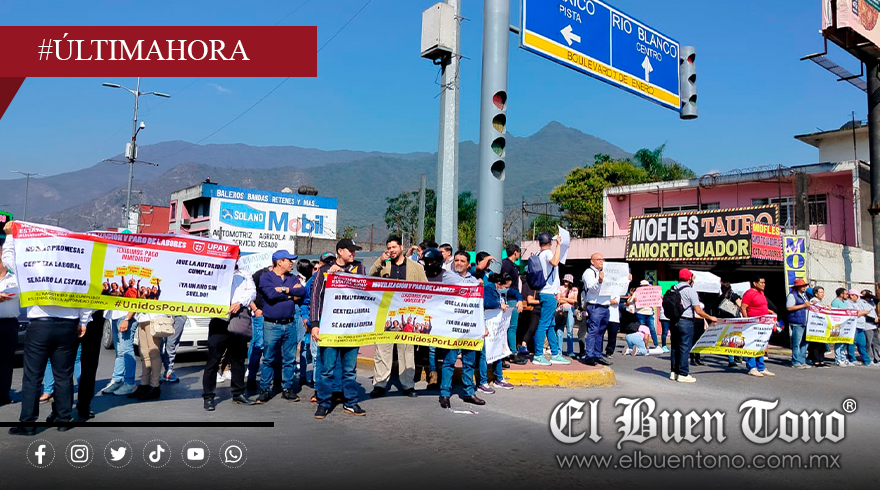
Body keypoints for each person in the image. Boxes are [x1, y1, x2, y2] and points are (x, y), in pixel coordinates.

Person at [4, 220, 93, 435]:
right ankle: (63, 419)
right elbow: (89, 293)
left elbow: (10, 262)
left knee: (33, 377)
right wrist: (83, 321)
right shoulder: (76, 265)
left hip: (40, 325)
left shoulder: (35, 264)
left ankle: (28, 423)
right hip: (68, 325)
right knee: (63, 375)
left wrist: (9, 237)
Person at [310, 239, 368, 419]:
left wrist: (342, 274)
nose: (353, 253)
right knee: (327, 369)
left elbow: (363, 289)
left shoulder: (359, 268)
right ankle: (324, 403)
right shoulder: (324, 271)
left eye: (355, 250)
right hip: (330, 327)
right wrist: (314, 324)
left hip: (352, 327)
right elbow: (315, 297)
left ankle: (350, 402)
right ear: (340, 251)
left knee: (349, 370)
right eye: (350, 250)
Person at [369, 236, 426, 398]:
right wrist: (380, 261)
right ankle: (380, 384)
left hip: (407, 314)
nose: (391, 250)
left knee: (407, 351)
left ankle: (408, 385)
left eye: (394, 247)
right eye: (389, 248)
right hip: (385, 313)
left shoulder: (416, 267)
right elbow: (371, 276)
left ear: (401, 247)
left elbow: (426, 288)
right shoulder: (384, 265)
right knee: (382, 351)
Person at [202, 260, 258, 410]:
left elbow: (252, 292)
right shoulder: (214, 273)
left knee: (238, 359)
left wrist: (239, 303)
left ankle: (238, 393)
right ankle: (208, 396)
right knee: (213, 359)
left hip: (238, 319)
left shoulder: (244, 274)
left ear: (238, 257)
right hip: (219, 320)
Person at [438, 251, 485, 409]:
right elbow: (459, 286)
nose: (458, 263)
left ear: (468, 264)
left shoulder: (474, 280)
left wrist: (483, 326)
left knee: (469, 362)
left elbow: (478, 306)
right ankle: (445, 394)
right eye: (456, 260)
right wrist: (476, 285)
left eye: (462, 261)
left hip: (469, 327)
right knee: (449, 361)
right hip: (452, 327)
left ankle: (469, 393)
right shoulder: (448, 276)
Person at [257, 250, 306, 403]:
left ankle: (288, 388)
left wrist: (285, 290)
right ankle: (265, 389)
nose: (292, 263)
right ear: (279, 262)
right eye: (288, 260)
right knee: (268, 359)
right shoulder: (266, 277)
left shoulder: (292, 277)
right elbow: (271, 295)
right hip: (272, 325)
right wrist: (291, 295)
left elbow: (302, 292)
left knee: (290, 359)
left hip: (290, 324)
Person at [669, 269, 716, 383]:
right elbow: (698, 310)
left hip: (674, 321)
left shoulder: (673, 288)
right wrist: (710, 317)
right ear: (689, 278)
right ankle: (683, 373)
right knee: (685, 347)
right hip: (686, 321)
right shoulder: (690, 291)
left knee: (675, 347)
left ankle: (674, 372)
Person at [530, 233, 569, 366]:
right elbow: (555, 262)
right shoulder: (547, 253)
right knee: (544, 324)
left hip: (544, 292)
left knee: (551, 324)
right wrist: (558, 245)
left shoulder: (538, 254)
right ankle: (538, 354)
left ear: (539, 243)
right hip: (549, 293)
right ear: (550, 243)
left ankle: (555, 353)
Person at [477, 272, 515, 394]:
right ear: (499, 283)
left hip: (496, 328)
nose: (506, 289)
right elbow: (486, 303)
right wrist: (499, 305)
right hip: (486, 325)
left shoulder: (498, 291)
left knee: (498, 352)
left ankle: (499, 378)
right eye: (505, 286)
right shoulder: (488, 289)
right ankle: (482, 382)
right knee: (484, 354)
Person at [740, 274, 775, 377]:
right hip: (753, 324)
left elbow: (761, 306)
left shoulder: (761, 293)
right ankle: (752, 367)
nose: (764, 284)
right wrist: (747, 320)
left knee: (761, 345)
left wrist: (769, 311)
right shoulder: (749, 293)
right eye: (761, 282)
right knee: (752, 345)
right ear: (755, 283)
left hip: (763, 324)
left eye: (764, 282)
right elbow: (743, 308)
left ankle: (761, 367)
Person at [581, 252, 612, 367]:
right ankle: (589, 355)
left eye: (603, 259)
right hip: (595, 305)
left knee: (601, 332)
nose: (601, 261)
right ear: (592, 261)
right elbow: (591, 288)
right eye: (599, 259)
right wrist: (599, 281)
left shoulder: (605, 272)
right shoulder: (589, 272)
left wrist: (626, 281)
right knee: (593, 331)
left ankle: (597, 355)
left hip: (605, 305)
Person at [128, 313, 166, 401]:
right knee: (144, 353)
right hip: (142, 318)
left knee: (154, 352)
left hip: (154, 318)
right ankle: (144, 384)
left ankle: (155, 386)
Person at [100, 310, 138, 395]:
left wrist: (127, 318)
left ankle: (130, 383)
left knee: (127, 350)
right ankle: (116, 380)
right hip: (115, 316)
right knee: (120, 352)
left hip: (126, 316)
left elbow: (136, 302)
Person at [0, 255, 19, 406]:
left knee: (6, 361)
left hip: (8, 324)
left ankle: (3, 394)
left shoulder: (15, 278)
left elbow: (20, 292)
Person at [500, 244, 522, 358]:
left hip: (513, 298)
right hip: (510, 299)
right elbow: (505, 285)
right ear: (515, 253)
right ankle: (513, 352)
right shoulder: (507, 265)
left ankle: (509, 351)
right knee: (511, 326)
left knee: (510, 327)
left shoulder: (511, 265)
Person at [785, 278, 811, 369]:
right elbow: (789, 308)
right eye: (802, 286)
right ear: (797, 287)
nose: (804, 287)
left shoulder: (804, 295)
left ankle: (802, 360)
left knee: (805, 342)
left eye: (804, 285)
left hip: (806, 321)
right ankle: (795, 361)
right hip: (797, 321)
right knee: (797, 342)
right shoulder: (792, 295)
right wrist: (803, 305)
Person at [717, 282, 743, 367]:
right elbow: (740, 305)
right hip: (734, 319)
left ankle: (730, 359)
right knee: (737, 338)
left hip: (725, 320)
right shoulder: (733, 295)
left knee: (728, 339)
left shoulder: (721, 297)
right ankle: (737, 357)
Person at [848, 289, 875, 366]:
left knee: (862, 344)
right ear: (851, 295)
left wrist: (863, 312)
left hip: (861, 326)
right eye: (856, 295)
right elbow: (853, 314)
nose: (857, 297)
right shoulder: (848, 303)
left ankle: (867, 360)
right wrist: (863, 312)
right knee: (852, 343)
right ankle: (852, 359)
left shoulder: (857, 303)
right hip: (854, 326)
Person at [628, 280, 659, 348]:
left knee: (652, 329)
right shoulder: (637, 292)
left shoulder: (651, 292)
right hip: (640, 313)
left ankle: (656, 344)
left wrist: (660, 298)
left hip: (649, 313)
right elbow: (629, 301)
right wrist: (634, 300)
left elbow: (657, 299)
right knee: (641, 330)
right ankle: (641, 344)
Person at [830, 288, 855, 367]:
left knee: (843, 342)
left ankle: (843, 358)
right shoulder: (835, 302)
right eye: (846, 294)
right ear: (841, 294)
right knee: (838, 342)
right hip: (838, 325)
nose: (847, 295)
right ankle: (838, 359)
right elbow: (834, 313)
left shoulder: (844, 302)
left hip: (845, 325)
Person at [807, 286, 830, 367]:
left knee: (822, 344)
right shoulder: (813, 301)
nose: (822, 294)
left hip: (822, 326)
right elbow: (814, 308)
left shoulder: (822, 301)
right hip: (815, 326)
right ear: (816, 294)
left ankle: (821, 360)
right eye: (820, 292)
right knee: (816, 344)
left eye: (823, 292)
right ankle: (816, 360)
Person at [556, 274, 579, 357]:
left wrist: (564, 299)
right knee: (559, 330)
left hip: (570, 310)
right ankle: (559, 350)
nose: (566, 282)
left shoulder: (574, 289)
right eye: (565, 280)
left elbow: (574, 300)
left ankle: (570, 351)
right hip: (561, 309)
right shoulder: (560, 288)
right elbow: (558, 300)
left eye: (567, 281)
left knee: (570, 331)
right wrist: (568, 300)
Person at [160, 315, 186, 383]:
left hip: (180, 314)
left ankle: (168, 371)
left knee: (172, 343)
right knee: (159, 343)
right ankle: (155, 373)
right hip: (163, 313)